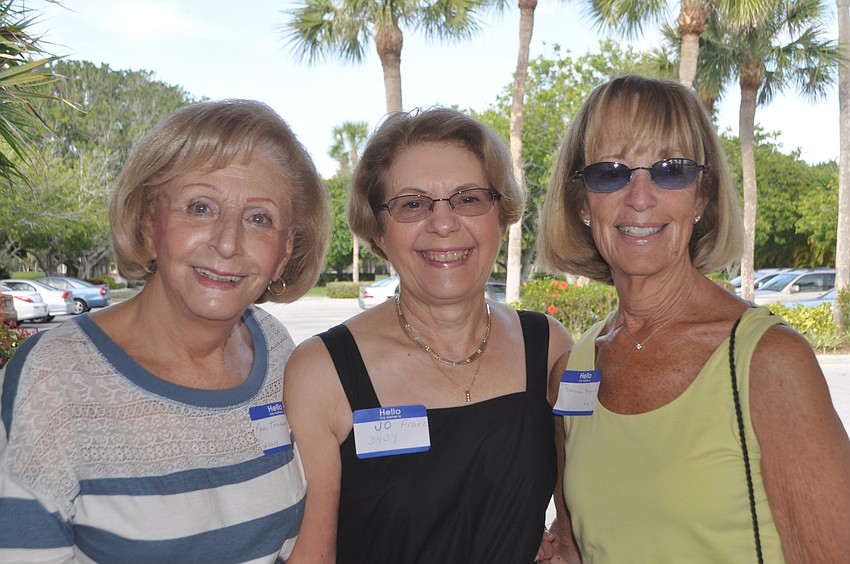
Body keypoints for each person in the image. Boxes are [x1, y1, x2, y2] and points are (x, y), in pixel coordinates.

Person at [0, 99, 331, 562]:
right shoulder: (53, 380)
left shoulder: (275, 349)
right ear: (147, 223)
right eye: (201, 207)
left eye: (259, 218)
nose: (228, 242)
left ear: (285, 251)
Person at [538, 75, 850, 562]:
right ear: (581, 201)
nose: (640, 196)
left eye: (671, 169)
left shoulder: (768, 363)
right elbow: (577, 545)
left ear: (702, 196)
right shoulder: (571, 374)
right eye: (611, 172)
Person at [284, 107, 572, 563]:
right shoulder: (323, 373)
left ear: (501, 217)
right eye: (413, 204)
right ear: (379, 231)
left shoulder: (549, 347)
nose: (443, 223)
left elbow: (580, 505)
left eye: (468, 199)